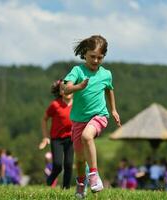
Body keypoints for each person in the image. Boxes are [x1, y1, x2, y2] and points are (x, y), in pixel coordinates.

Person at [63, 35, 121, 198]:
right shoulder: (78, 71)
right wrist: (78, 86)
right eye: (92, 57)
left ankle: (94, 175)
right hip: (78, 119)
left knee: (87, 136)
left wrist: (114, 110)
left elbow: (109, 89)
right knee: (80, 160)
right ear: (84, 54)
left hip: (99, 116)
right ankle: (81, 184)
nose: (95, 61)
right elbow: (66, 89)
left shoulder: (106, 74)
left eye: (99, 58)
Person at [38, 79, 74, 189]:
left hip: (71, 138)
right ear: (59, 92)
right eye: (63, 89)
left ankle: (65, 188)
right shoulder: (55, 105)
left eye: (68, 89)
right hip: (57, 139)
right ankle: (49, 181)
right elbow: (44, 119)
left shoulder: (77, 104)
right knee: (58, 165)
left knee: (68, 165)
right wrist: (45, 137)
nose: (66, 91)